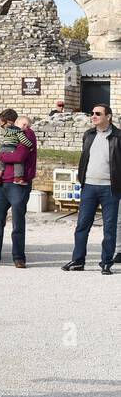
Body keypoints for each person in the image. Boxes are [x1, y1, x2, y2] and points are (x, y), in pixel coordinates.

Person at [64, 104, 119, 274]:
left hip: (110, 188)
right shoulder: (88, 135)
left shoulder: (118, 136)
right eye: (92, 113)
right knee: (82, 226)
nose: (93, 116)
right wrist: (83, 180)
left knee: (109, 227)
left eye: (97, 113)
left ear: (108, 116)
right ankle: (78, 260)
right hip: (89, 187)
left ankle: (106, 263)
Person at [0, 110, 37, 269]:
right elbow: (9, 152)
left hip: (19, 184)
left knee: (18, 222)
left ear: (11, 122)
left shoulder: (27, 134)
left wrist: (0, 156)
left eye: (3, 124)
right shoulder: (11, 134)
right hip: (3, 183)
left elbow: (19, 157)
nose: (3, 128)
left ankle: (18, 257)